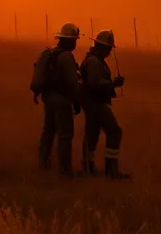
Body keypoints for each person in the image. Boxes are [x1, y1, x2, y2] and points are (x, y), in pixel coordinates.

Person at [35, 23, 83, 177]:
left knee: (48, 131)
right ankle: (65, 170)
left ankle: (43, 164)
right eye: (74, 40)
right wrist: (77, 102)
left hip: (48, 98)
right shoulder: (66, 57)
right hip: (62, 100)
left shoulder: (49, 54)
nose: (75, 43)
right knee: (65, 135)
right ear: (68, 40)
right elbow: (72, 83)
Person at [80, 29, 129, 179]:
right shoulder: (94, 61)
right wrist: (113, 83)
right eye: (108, 48)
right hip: (97, 103)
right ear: (100, 46)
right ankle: (111, 169)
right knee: (114, 131)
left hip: (91, 102)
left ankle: (88, 167)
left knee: (92, 134)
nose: (109, 51)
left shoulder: (93, 59)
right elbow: (94, 83)